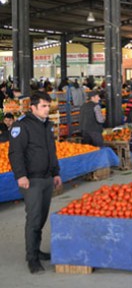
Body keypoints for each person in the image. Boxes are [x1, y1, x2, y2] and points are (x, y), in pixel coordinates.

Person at [8, 91, 62, 274]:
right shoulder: (22, 126)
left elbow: (51, 151)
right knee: (34, 218)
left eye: (48, 106)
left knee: (42, 217)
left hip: (47, 178)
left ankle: (36, 250)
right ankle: (31, 258)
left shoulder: (47, 125)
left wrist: (56, 173)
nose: (47, 110)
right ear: (33, 107)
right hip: (31, 180)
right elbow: (15, 153)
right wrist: (20, 176)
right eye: (44, 106)